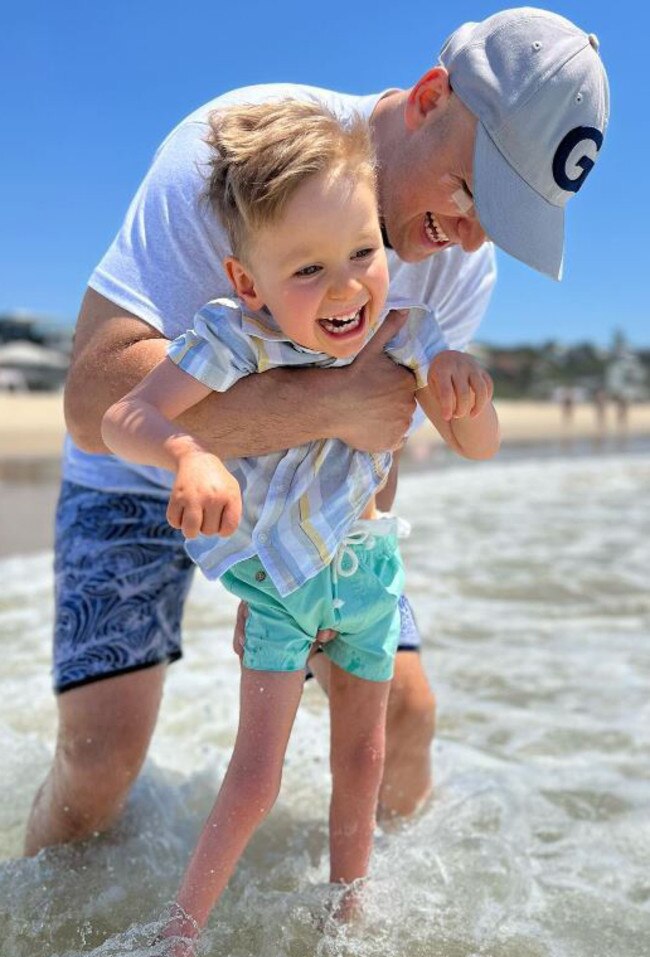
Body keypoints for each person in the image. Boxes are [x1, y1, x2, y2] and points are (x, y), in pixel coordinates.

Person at [24, 8, 609, 856]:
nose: (475, 234)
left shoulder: (458, 259)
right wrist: (327, 405)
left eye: (510, 220)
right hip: (136, 472)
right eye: (477, 189)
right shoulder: (232, 153)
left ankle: (374, 952)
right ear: (431, 98)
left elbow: (380, 440)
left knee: (405, 721)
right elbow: (91, 398)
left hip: (313, 506)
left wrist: (302, 572)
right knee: (97, 769)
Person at [101, 99, 500, 957]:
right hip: (280, 586)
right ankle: (173, 947)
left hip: (366, 575)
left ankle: (345, 930)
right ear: (249, 283)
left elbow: (478, 445)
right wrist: (187, 453)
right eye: (308, 270)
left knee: (362, 759)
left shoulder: (408, 336)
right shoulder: (232, 339)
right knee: (255, 779)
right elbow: (120, 416)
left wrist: (469, 393)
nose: (348, 286)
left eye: (363, 253)